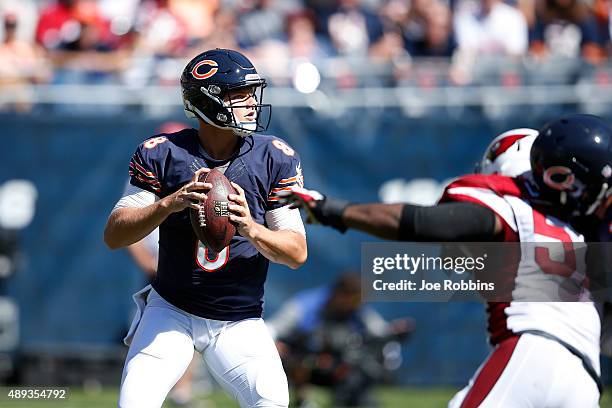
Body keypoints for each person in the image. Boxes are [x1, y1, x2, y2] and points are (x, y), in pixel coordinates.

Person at [281, 114, 612, 407]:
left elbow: (421, 223)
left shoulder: (513, 209)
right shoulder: (579, 237)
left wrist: (335, 210)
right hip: (585, 379)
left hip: (533, 353)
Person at [104, 48, 307, 408]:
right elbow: (115, 234)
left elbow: (296, 253)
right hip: (171, 309)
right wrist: (170, 203)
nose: (251, 104)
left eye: (250, 94)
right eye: (238, 95)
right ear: (208, 101)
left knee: (272, 402)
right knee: (134, 402)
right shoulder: (163, 153)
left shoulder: (274, 157)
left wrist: (250, 228)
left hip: (238, 318)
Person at [267, 273, 413, 407]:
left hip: (335, 366)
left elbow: (379, 332)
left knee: (359, 364)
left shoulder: (357, 312)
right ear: (341, 295)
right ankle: (304, 400)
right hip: (300, 361)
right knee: (297, 359)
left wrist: (394, 331)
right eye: (355, 300)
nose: (358, 305)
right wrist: (276, 346)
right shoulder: (305, 305)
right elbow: (271, 330)